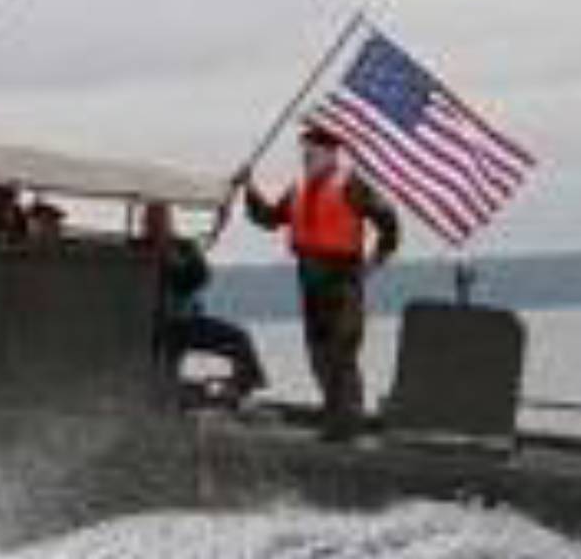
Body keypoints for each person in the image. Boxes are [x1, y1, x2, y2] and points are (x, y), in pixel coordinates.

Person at [239, 126, 400, 441]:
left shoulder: (351, 185)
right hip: (309, 281)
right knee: (318, 355)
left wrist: (378, 257)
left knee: (341, 353)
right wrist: (249, 189)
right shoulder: (298, 188)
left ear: (330, 153)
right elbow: (270, 218)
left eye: (312, 151)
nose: (306, 157)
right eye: (304, 151)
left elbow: (388, 220)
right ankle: (334, 420)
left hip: (343, 280)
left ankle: (347, 427)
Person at [138, 203, 268, 401]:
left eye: (160, 220)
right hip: (154, 327)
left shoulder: (183, 246)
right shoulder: (136, 248)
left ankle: (241, 385)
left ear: (169, 222)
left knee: (239, 339)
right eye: (151, 221)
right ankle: (168, 393)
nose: (155, 225)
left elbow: (200, 277)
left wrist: (172, 258)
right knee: (164, 369)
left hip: (184, 323)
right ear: (144, 223)